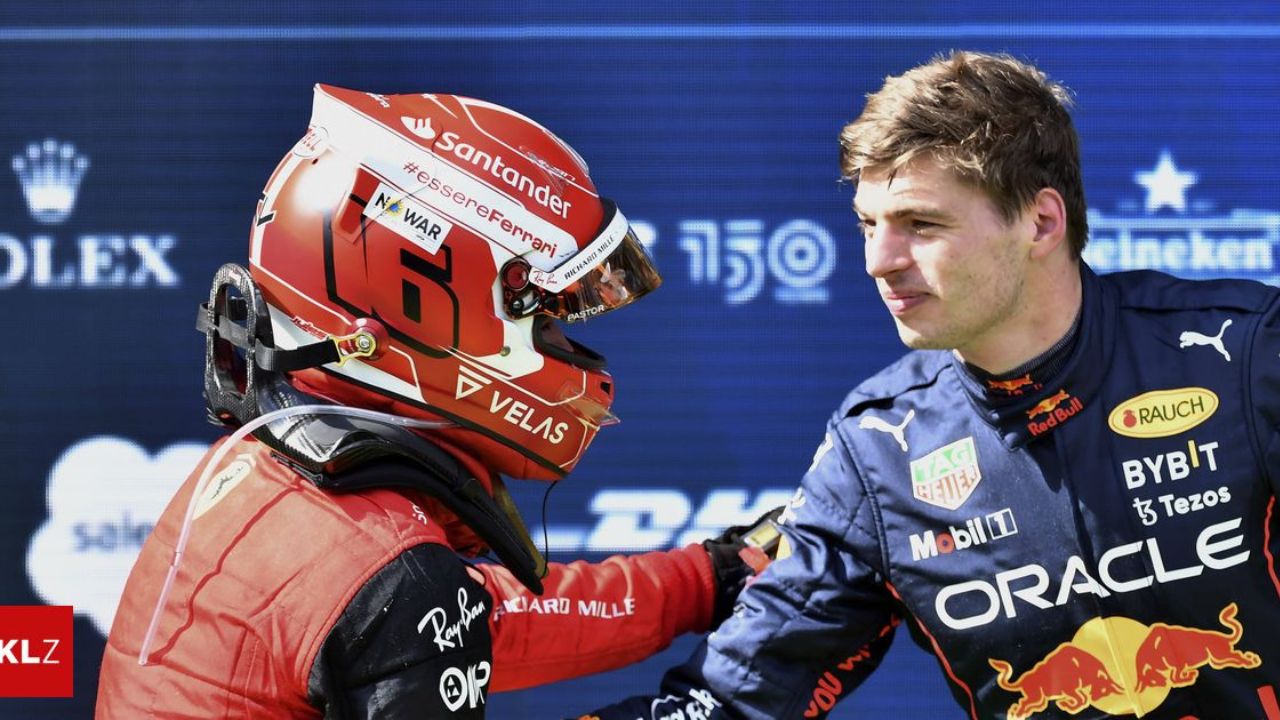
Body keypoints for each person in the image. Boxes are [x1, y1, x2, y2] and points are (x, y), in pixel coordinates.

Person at [574, 50, 1280, 720]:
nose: (879, 261)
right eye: (868, 225)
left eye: (920, 224)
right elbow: (738, 700)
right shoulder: (879, 449)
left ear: (1041, 222)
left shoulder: (1245, 356)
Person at [96, 85, 773, 719]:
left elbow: (466, 622)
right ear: (425, 306)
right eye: (544, 316)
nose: (565, 345)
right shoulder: (390, 574)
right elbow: (412, 615)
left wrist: (706, 579)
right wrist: (712, 705)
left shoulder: (268, 474)